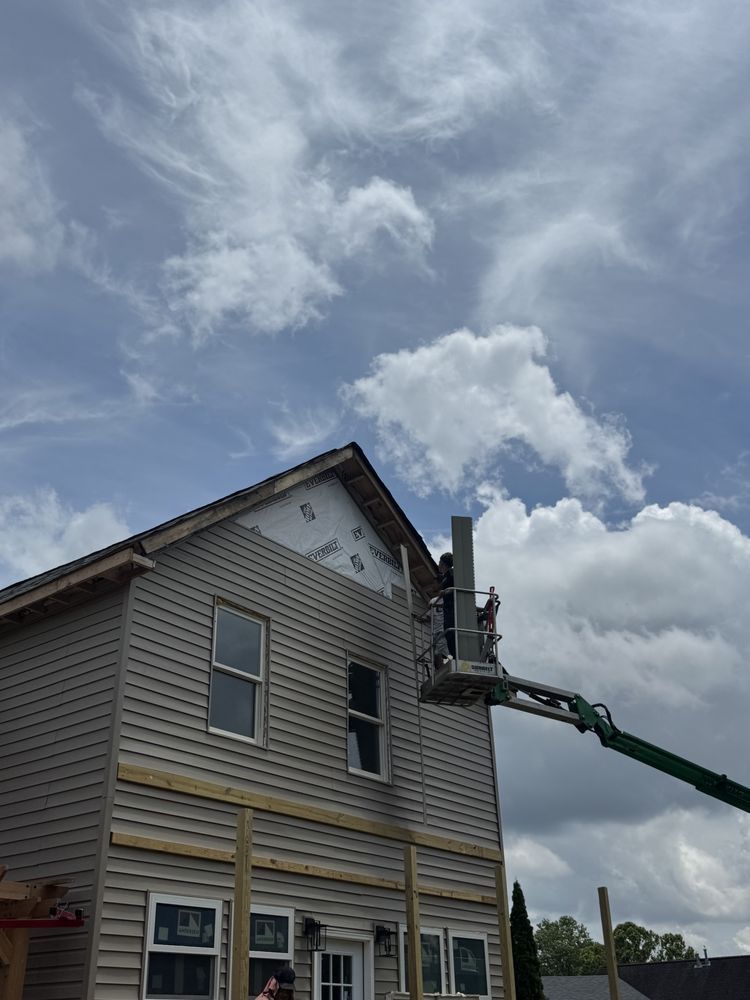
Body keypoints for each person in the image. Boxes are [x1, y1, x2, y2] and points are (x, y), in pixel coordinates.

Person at [430, 552, 455, 663]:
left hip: (452, 607)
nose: (439, 564)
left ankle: (454, 656)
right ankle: (453, 656)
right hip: (447, 607)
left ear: (444, 564)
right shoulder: (445, 576)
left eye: (440, 562)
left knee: (450, 631)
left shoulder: (451, 574)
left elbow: (455, 587)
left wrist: (444, 592)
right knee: (448, 631)